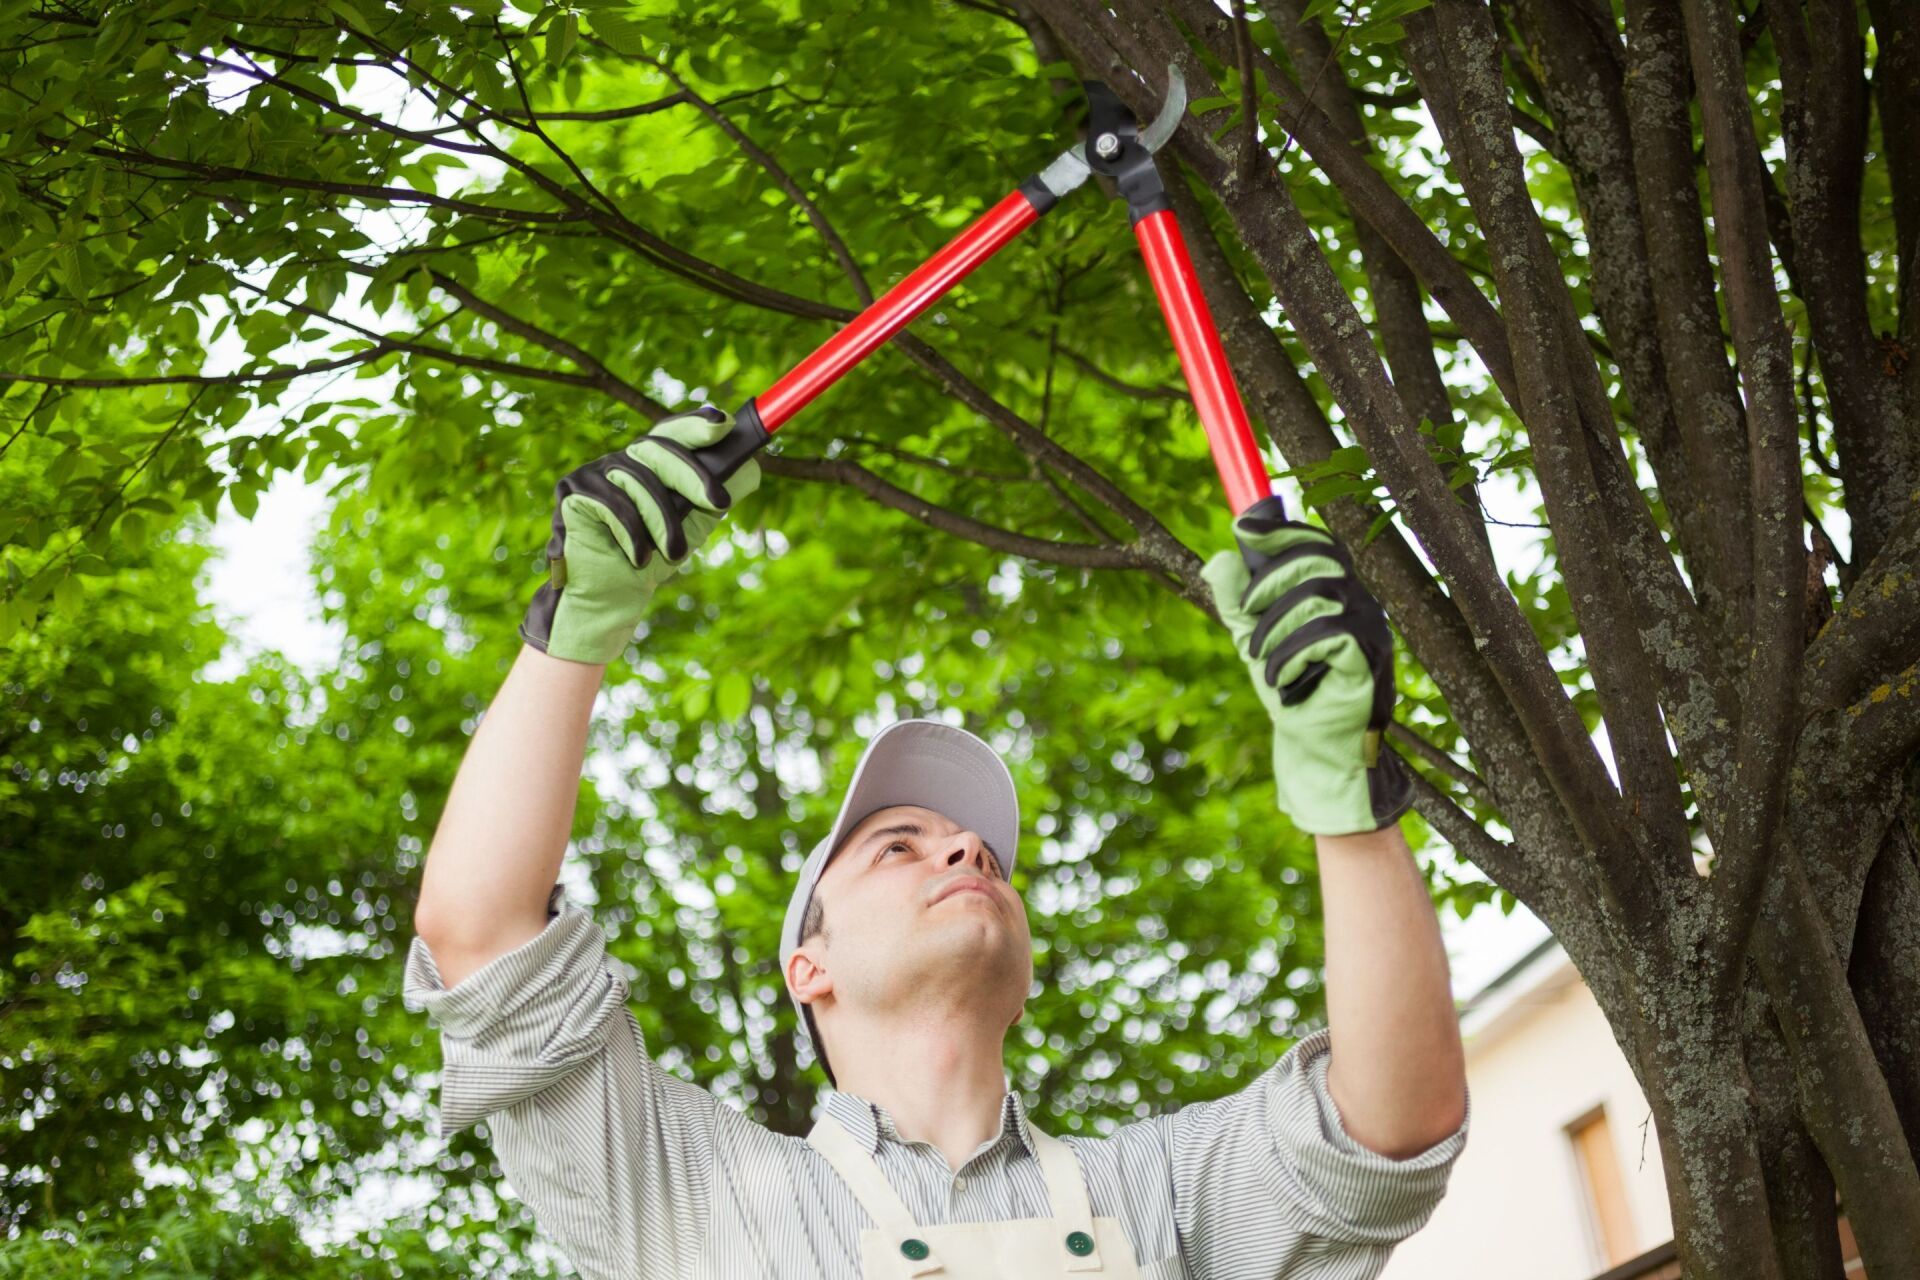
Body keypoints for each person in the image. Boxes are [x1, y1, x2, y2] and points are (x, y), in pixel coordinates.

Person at [404, 409, 1470, 1279]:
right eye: (899, 846)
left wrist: (1349, 794)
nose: (964, 852)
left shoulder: (1161, 1191)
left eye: (984, 856)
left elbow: (1393, 1122)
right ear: (805, 966)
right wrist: (576, 626)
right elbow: (482, 935)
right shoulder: (695, 1195)